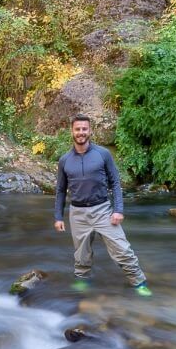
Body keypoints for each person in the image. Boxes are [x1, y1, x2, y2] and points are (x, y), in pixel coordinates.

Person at [54, 114, 151, 296]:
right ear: (72, 132)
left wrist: (118, 210)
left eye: (84, 129)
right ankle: (82, 280)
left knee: (122, 250)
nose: (81, 132)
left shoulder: (103, 154)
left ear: (90, 131)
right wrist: (58, 217)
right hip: (77, 213)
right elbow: (60, 190)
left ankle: (139, 282)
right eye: (77, 129)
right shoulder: (65, 160)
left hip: (102, 210)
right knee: (81, 254)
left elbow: (115, 183)